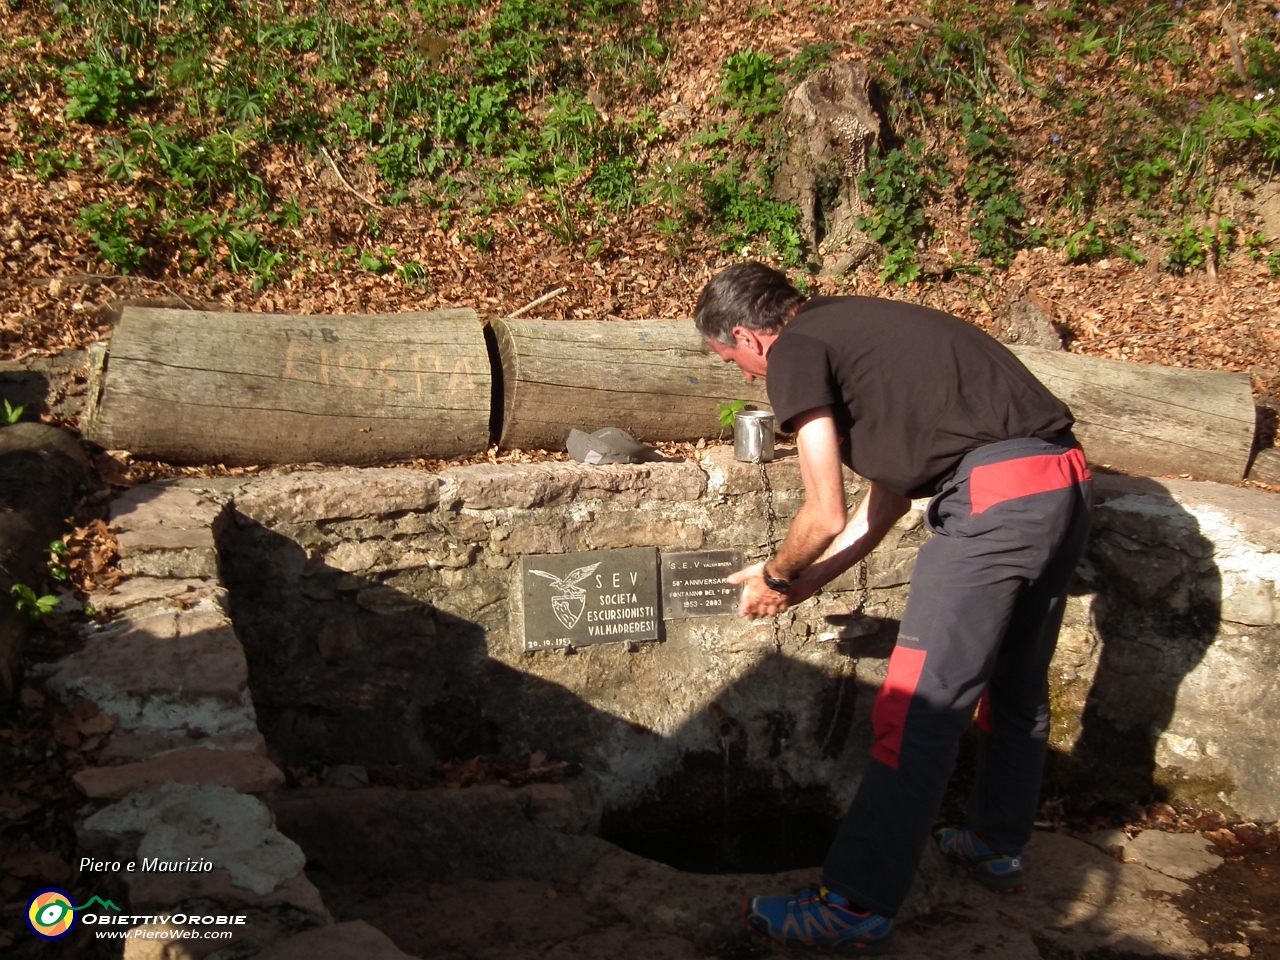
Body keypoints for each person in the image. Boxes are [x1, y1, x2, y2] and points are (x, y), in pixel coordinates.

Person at [695, 262, 1093, 955]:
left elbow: (823, 512)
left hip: (994, 505)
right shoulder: (864, 337)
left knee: (916, 710)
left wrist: (775, 570)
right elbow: (880, 508)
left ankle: (854, 902)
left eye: (734, 363)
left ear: (748, 336)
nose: (750, 379)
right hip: (1061, 486)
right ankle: (994, 844)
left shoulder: (796, 347)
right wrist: (802, 585)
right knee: (1016, 688)